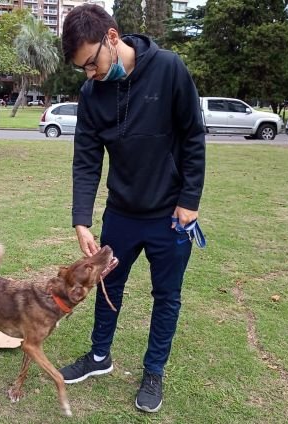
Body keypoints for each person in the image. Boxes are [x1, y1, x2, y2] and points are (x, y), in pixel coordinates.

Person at [59, 4, 206, 414]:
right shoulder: (92, 94)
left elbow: (193, 137)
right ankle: (99, 357)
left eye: (92, 63)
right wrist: (82, 221)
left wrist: (189, 203)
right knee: (109, 286)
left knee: (166, 295)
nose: (90, 75)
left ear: (112, 37)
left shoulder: (169, 68)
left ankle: (153, 371)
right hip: (121, 214)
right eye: (82, 69)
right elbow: (86, 159)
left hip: (170, 217)